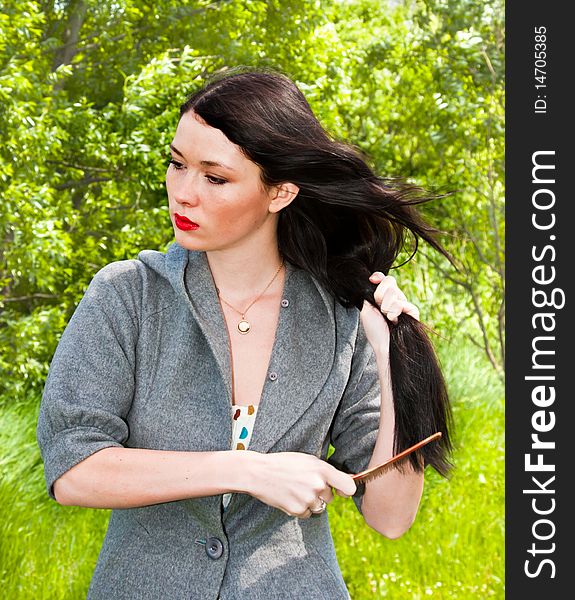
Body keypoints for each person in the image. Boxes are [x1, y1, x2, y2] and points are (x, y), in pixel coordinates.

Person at [37, 68, 452, 599]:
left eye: (215, 177)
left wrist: (393, 355)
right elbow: (75, 469)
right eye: (176, 164)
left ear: (279, 192)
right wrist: (245, 470)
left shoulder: (338, 318)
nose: (183, 193)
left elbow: (390, 516)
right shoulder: (126, 296)